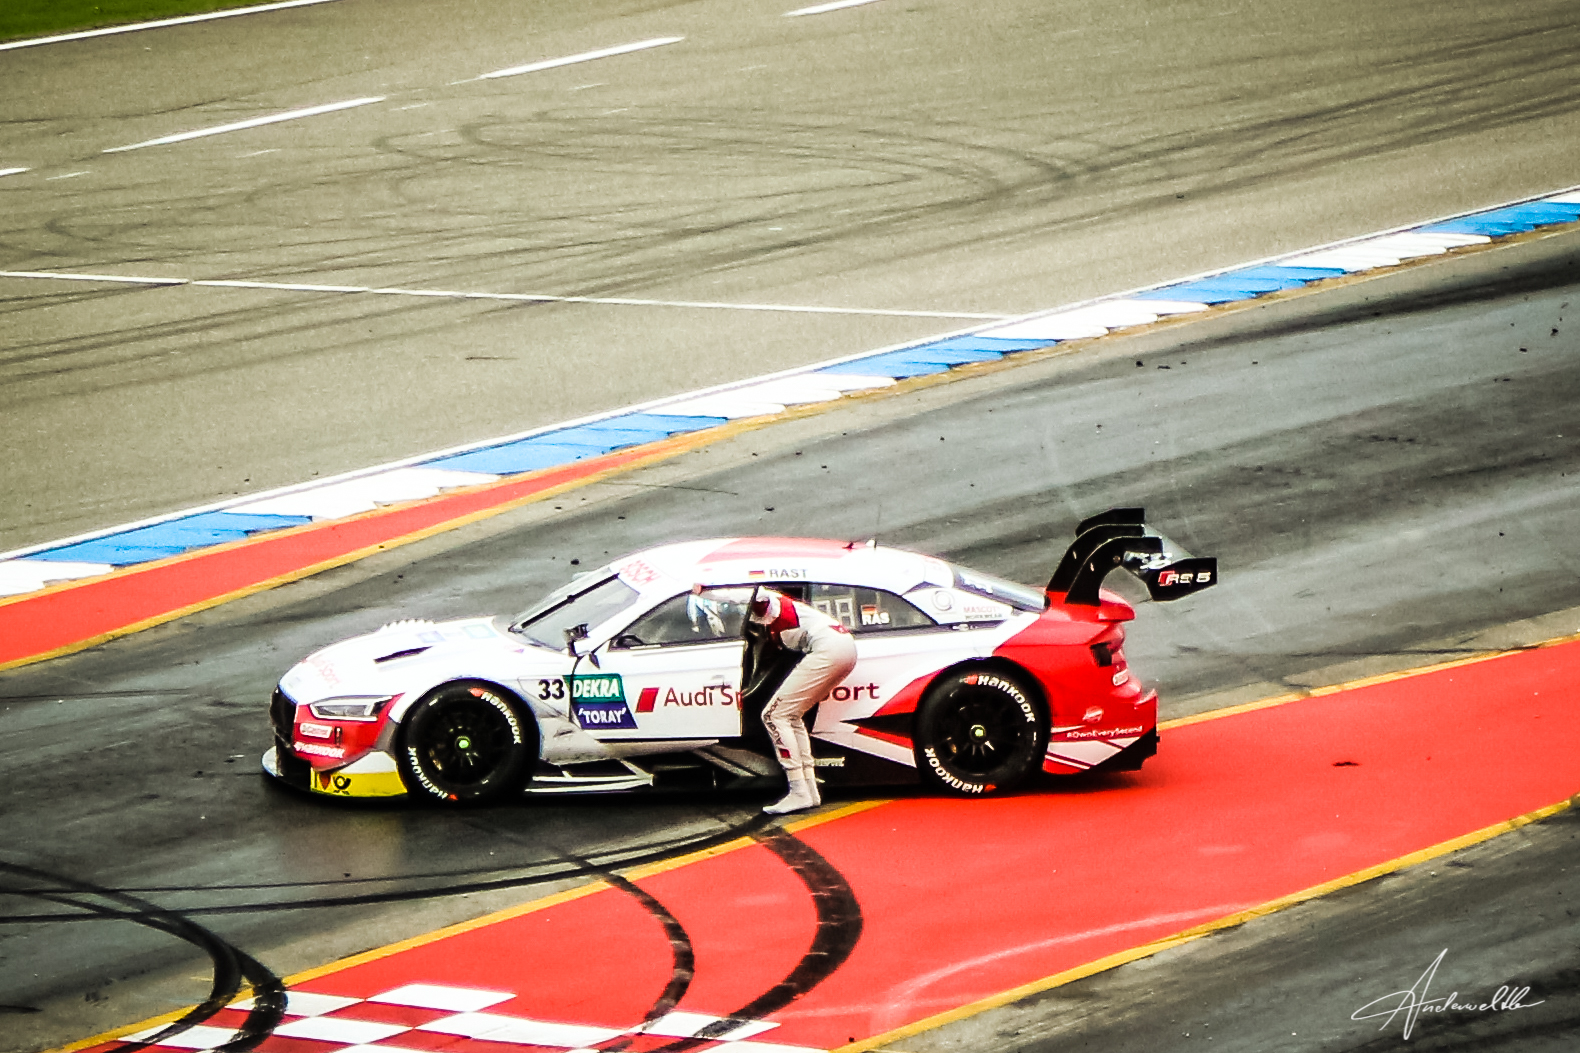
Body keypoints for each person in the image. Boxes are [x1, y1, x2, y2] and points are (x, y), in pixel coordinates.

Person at [745, 588, 858, 814]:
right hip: (843, 647)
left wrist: (706, 589)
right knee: (791, 716)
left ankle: (798, 790)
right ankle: (809, 790)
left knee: (773, 715)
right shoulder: (784, 607)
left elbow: (753, 594)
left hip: (828, 649)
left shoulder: (771, 605)